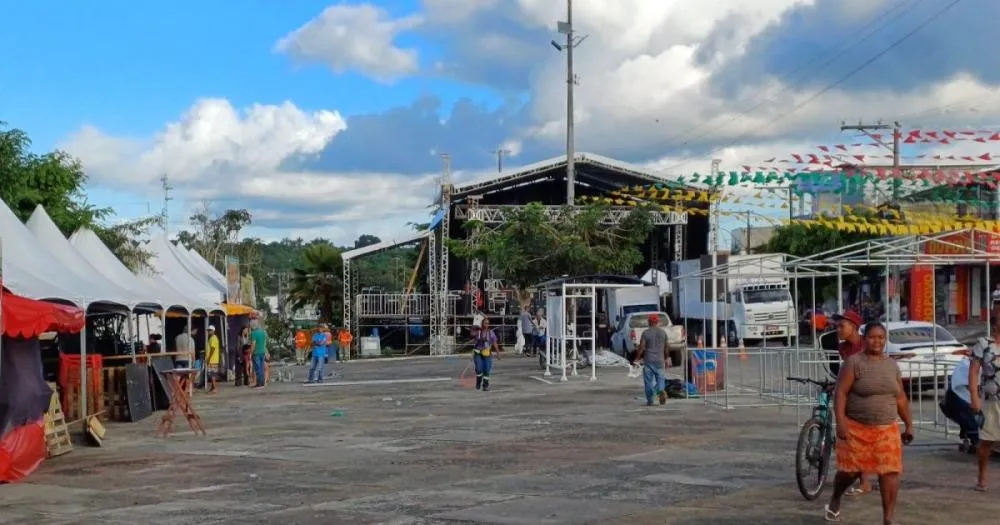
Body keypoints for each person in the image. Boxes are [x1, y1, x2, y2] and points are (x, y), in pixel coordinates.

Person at [824, 322, 913, 524]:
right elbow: (841, 393)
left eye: (881, 337)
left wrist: (909, 424)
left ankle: (888, 519)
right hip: (856, 428)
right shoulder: (854, 363)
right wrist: (840, 422)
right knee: (850, 472)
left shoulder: (891, 365)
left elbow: (900, 398)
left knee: (889, 472)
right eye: (873, 337)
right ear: (865, 339)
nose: (877, 341)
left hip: (887, 428)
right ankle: (836, 498)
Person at [969, 320, 1000, 492]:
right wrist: (974, 397)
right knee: (986, 441)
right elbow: (973, 371)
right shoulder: (983, 344)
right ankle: (982, 476)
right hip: (990, 401)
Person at [940, 356, 980, 453]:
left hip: (960, 402)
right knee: (974, 421)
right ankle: (976, 442)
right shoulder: (967, 364)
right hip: (960, 403)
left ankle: (970, 439)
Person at [632, 314, 668, 406]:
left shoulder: (646, 333)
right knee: (660, 379)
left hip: (648, 361)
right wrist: (667, 358)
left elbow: (642, 347)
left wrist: (637, 358)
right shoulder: (663, 333)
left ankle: (650, 400)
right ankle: (660, 391)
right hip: (660, 360)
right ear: (657, 322)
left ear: (649, 322)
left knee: (648, 382)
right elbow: (666, 347)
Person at [472, 318, 501, 391]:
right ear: (482, 324)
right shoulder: (478, 332)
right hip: (478, 353)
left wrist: (498, 353)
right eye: (485, 323)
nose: (486, 325)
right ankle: (478, 382)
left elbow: (494, 343)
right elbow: (472, 334)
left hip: (487, 354)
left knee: (487, 370)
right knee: (479, 369)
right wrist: (475, 328)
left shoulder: (491, 333)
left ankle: (485, 385)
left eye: (488, 323)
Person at [250, 321, 268, 389]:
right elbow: (264, 343)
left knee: (257, 369)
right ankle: (261, 383)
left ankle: (259, 384)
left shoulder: (253, 333)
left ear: (253, 326)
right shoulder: (263, 332)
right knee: (261, 367)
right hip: (262, 352)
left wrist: (251, 352)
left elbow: (253, 344)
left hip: (256, 353)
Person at [205, 325, 222, 393]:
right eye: (208, 330)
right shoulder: (212, 338)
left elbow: (212, 348)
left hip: (212, 359)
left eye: (210, 330)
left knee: (212, 374)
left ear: (213, 331)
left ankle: (214, 388)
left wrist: (209, 358)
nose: (209, 331)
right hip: (213, 359)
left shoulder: (213, 338)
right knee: (212, 373)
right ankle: (212, 387)